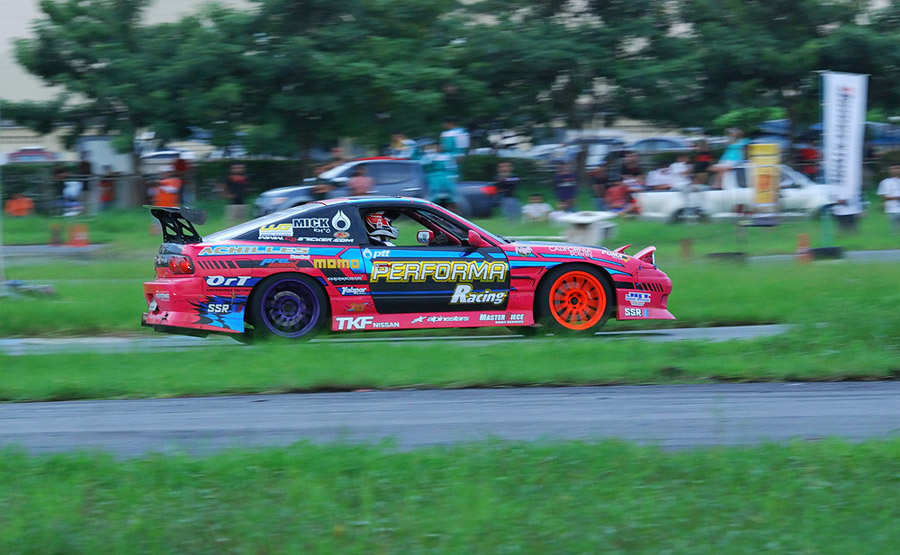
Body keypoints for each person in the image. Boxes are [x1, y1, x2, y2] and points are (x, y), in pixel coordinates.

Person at [421, 143, 459, 211]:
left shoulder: (447, 156)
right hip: (434, 180)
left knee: (450, 198)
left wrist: (453, 178)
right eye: (435, 147)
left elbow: (452, 168)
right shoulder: (428, 157)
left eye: (439, 147)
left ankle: (453, 214)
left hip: (446, 180)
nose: (437, 149)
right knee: (434, 198)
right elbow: (424, 165)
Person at [876, 163, 900, 232]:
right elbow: (882, 195)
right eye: (893, 169)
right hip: (891, 208)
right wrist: (895, 198)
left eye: (897, 168)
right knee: (894, 228)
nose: (895, 170)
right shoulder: (885, 182)